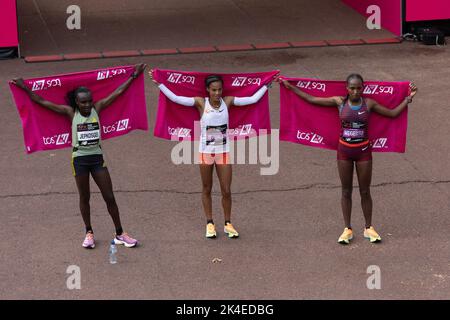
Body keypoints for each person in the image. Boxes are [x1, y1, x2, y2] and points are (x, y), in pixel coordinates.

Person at [12, 64, 147, 249]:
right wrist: (24, 87)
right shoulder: (70, 113)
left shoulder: (97, 108)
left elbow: (117, 93)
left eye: (89, 101)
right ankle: (89, 233)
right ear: (76, 102)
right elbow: (41, 102)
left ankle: (120, 234)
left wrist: (133, 76)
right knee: (85, 197)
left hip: (98, 159)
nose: (87, 105)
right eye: (83, 102)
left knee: (109, 197)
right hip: (80, 161)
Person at [281, 74, 417, 244]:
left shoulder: (369, 104)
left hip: (364, 153)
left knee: (365, 191)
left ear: (363, 88)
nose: (355, 91)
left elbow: (392, 113)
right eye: (352, 88)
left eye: (359, 88)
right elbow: (311, 99)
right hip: (344, 152)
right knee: (346, 191)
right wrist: (290, 87)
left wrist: (408, 99)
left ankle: (369, 228)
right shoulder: (339, 102)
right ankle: (347, 229)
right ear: (346, 88)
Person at [149, 70, 277, 239]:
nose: (217, 93)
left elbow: (252, 99)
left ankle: (228, 224)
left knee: (226, 190)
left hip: (223, 152)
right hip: (205, 153)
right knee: (207, 188)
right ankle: (210, 223)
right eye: (214, 90)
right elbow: (175, 98)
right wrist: (160, 84)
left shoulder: (228, 101)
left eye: (219, 90)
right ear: (208, 90)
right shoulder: (201, 103)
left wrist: (267, 85)